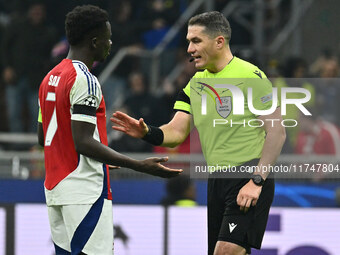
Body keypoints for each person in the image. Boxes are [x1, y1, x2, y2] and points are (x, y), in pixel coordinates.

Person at [111, 11, 286, 255]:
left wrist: (257, 181)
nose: (189, 48)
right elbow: (176, 132)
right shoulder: (195, 84)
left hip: (248, 175)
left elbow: (277, 132)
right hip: (217, 181)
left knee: (226, 251)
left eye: (196, 41)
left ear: (219, 42)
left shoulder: (250, 76)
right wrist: (146, 132)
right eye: (188, 41)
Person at [37, 5, 182, 255]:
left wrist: (102, 157)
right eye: (108, 37)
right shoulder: (85, 80)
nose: (110, 42)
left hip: (55, 189)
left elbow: (44, 138)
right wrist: (139, 164)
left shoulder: (50, 77)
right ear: (94, 42)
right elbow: (82, 142)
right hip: (84, 191)